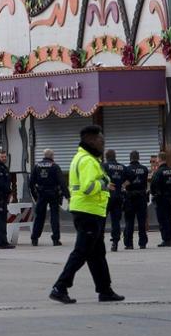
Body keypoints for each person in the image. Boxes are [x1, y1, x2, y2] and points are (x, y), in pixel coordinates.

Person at [49, 126, 124, 304]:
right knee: (82, 252)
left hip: (89, 211)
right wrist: (104, 184)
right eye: (101, 141)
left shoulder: (83, 158)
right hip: (88, 211)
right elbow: (88, 187)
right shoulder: (88, 161)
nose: (103, 144)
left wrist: (103, 180)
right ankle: (60, 287)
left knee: (97, 253)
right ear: (91, 140)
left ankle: (105, 289)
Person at [29, 148, 69, 246]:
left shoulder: (37, 166)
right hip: (53, 194)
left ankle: (34, 238)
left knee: (39, 217)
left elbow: (31, 183)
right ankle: (55, 239)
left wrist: (35, 196)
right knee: (54, 216)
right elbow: (62, 182)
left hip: (41, 194)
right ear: (51, 156)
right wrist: (67, 196)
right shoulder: (55, 166)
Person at [150, 149, 171, 247]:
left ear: (159, 159)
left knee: (163, 219)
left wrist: (155, 195)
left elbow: (153, 186)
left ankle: (166, 239)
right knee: (170, 218)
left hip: (161, 199)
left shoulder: (158, 173)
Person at [123, 150, 149, 249]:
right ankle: (142, 243)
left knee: (129, 221)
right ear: (138, 158)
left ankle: (129, 243)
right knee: (141, 221)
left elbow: (124, 183)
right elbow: (145, 183)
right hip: (141, 197)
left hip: (130, 197)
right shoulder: (144, 169)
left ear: (130, 158)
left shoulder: (127, 169)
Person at [102, 150, 126, 251]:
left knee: (102, 219)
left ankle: (99, 240)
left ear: (106, 157)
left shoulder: (104, 166)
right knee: (116, 220)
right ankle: (115, 242)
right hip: (118, 196)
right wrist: (123, 185)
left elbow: (99, 178)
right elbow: (132, 176)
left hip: (107, 196)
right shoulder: (122, 167)